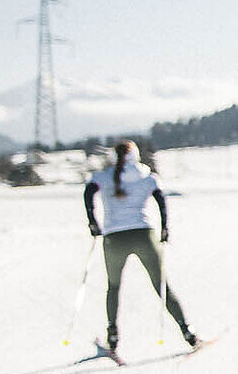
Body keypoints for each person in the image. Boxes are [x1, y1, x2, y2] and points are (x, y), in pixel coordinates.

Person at [82, 141, 198, 352]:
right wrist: (164, 228)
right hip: (144, 236)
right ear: (135, 156)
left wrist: (93, 222)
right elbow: (161, 200)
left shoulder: (104, 177)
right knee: (161, 286)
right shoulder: (146, 176)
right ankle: (187, 331)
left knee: (113, 286)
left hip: (114, 239)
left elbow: (88, 192)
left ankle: (112, 334)